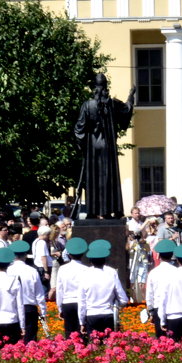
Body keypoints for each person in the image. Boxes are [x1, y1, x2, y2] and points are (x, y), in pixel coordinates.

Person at [74, 73, 135, 218]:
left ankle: (92, 212)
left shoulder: (87, 105)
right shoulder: (113, 104)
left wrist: (82, 146)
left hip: (93, 148)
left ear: (94, 87)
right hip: (108, 148)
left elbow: (79, 129)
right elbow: (126, 111)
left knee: (93, 179)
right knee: (109, 178)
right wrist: (131, 95)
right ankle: (110, 210)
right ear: (106, 87)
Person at [79, 240, 128, 336]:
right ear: (105, 260)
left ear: (90, 260)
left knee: (94, 346)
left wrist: (81, 321)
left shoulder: (84, 274)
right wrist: (119, 304)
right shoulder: (112, 272)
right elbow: (123, 298)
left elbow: (82, 301)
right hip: (108, 313)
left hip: (91, 315)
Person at [7, 239, 47, 342]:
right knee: (30, 341)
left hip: (12, 308)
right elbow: (39, 294)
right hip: (29, 307)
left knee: (13, 341)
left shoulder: (8, 270)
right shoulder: (32, 271)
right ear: (25, 255)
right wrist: (43, 312)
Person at [53, 236, 87, 338]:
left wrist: (60, 308)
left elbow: (59, 290)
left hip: (67, 303)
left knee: (69, 333)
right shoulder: (86, 269)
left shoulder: (63, 269)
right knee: (82, 333)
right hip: (81, 302)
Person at [145, 239, 179, 338]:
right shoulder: (176, 271)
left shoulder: (153, 272)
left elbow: (149, 294)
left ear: (158, 255)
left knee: (161, 340)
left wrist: (150, 310)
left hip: (158, 307)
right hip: (174, 308)